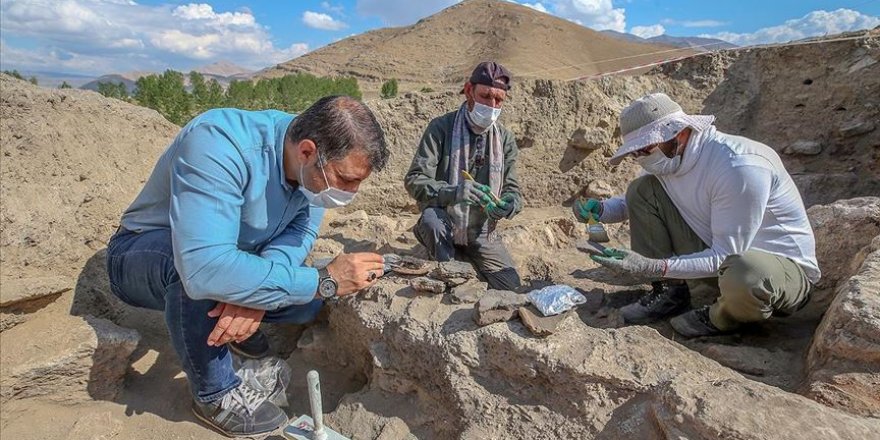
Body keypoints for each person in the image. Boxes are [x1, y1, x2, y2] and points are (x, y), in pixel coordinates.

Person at [106, 96, 389, 436]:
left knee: (304, 304)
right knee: (200, 277)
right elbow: (203, 266)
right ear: (307, 152)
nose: (351, 192)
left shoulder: (309, 168)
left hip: (232, 257)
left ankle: (235, 329)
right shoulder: (218, 142)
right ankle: (215, 393)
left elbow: (298, 234)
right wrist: (322, 280)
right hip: (146, 253)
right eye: (345, 179)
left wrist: (252, 297)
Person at [574, 92, 820, 338]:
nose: (640, 158)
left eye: (645, 148)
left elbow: (726, 255)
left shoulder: (738, 167)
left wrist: (653, 266)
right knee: (643, 189)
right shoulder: (669, 159)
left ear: (679, 132)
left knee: (746, 271)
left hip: (776, 279)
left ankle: (722, 317)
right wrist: (601, 211)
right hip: (721, 264)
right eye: (634, 153)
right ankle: (669, 294)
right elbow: (633, 204)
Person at [404, 62, 523, 291]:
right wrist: (455, 192)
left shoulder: (505, 139)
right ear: (469, 91)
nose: (492, 106)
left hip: (482, 229)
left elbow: (512, 188)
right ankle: (443, 256)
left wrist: (510, 204)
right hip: (444, 220)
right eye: (485, 96)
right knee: (434, 227)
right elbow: (415, 179)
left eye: (499, 100)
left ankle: (465, 252)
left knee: (510, 285)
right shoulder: (441, 128)